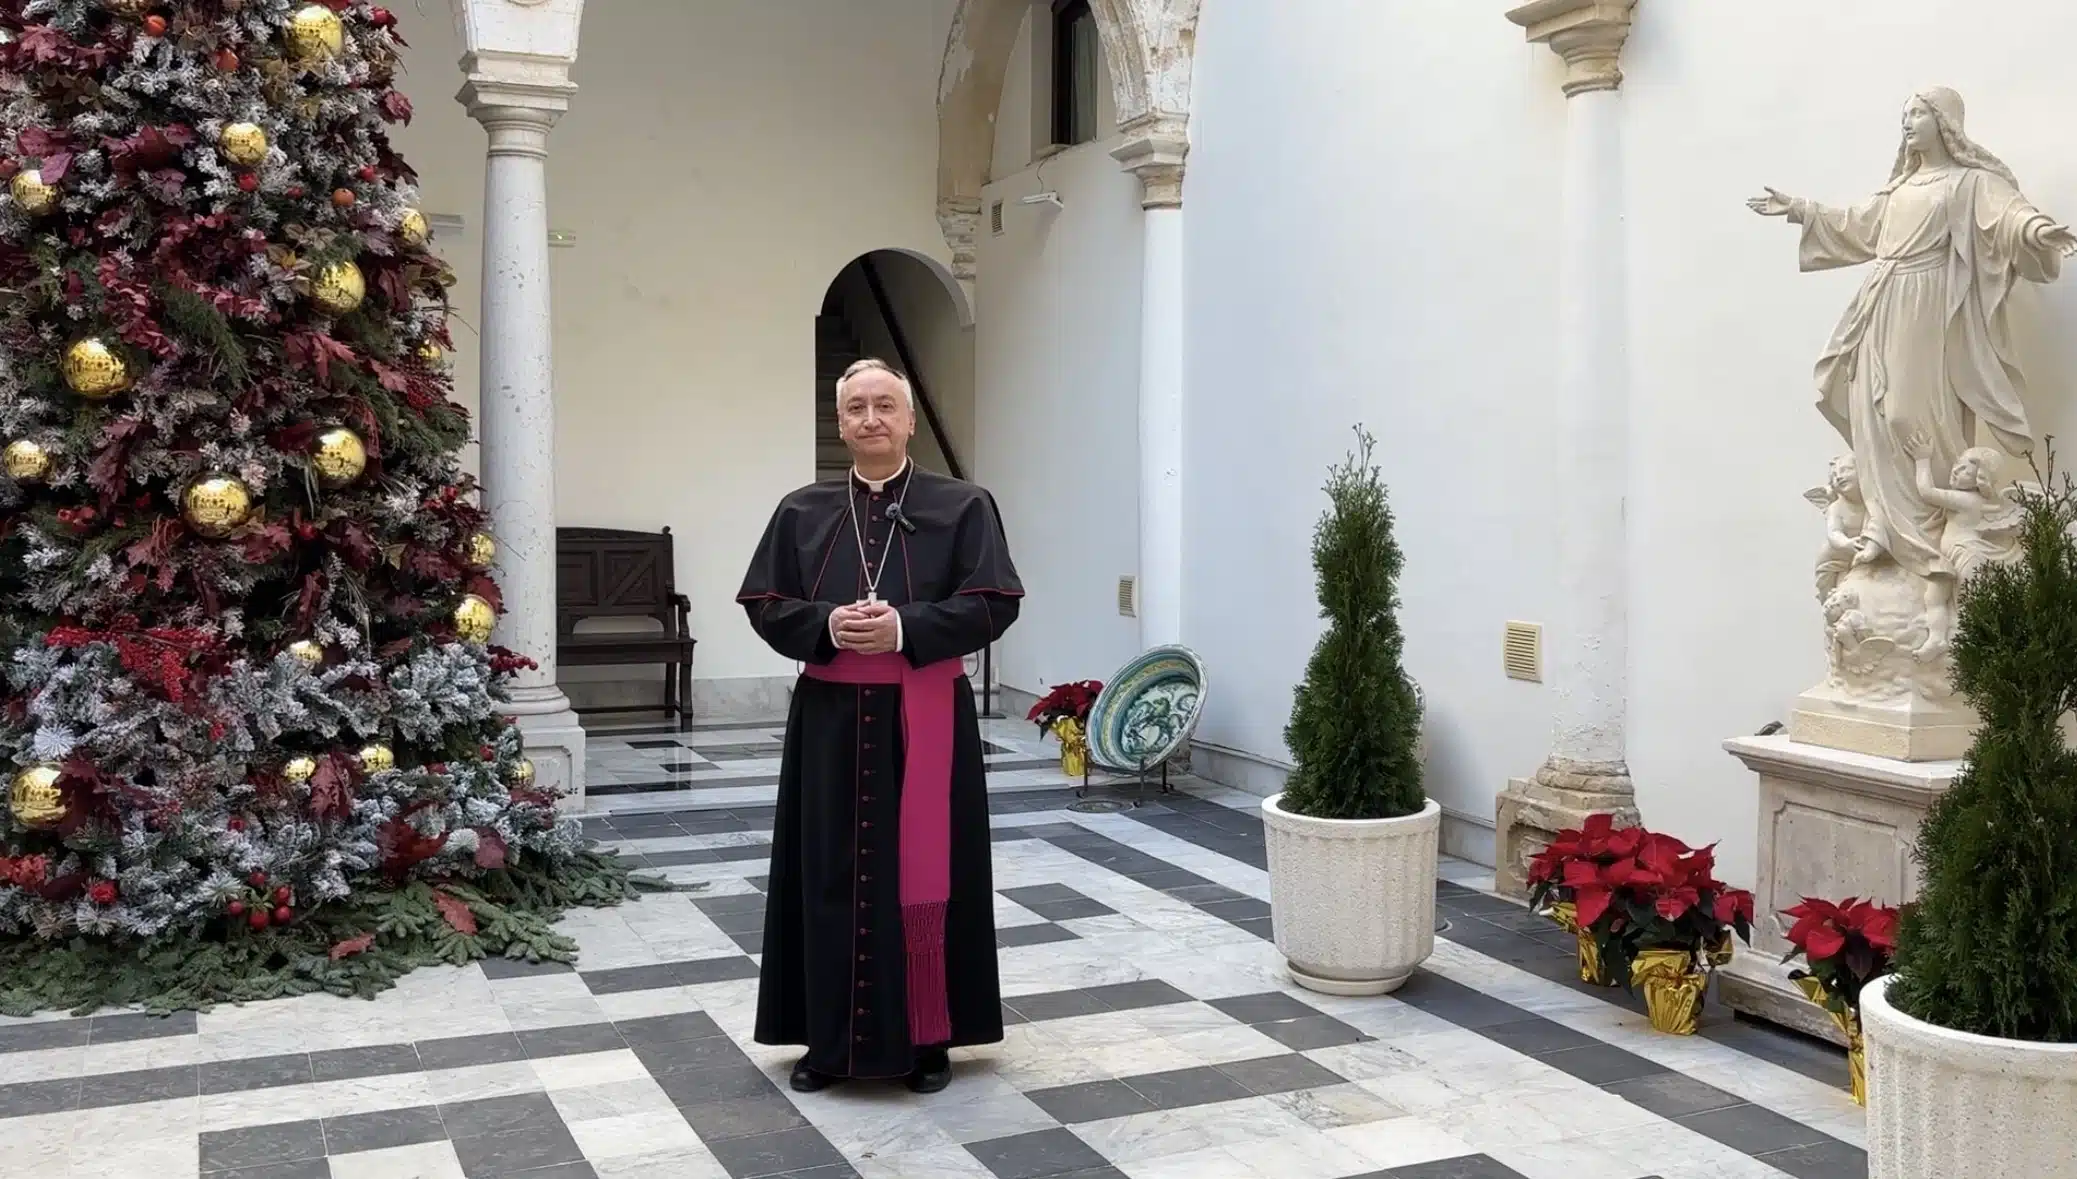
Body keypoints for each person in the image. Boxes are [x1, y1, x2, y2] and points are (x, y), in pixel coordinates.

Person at [737, 357, 1022, 1095]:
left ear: (908, 418)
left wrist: (903, 626)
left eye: (884, 405)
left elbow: (995, 601)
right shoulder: (801, 511)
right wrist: (826, 622)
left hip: (924, 715)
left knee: (925, 880)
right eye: (856, 407)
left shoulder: (964, 505)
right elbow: (766, 603)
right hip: (830, 723)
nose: (871, 418)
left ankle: (928, 1040)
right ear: (839, 424)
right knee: (825, 874)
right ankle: (826, 1042)